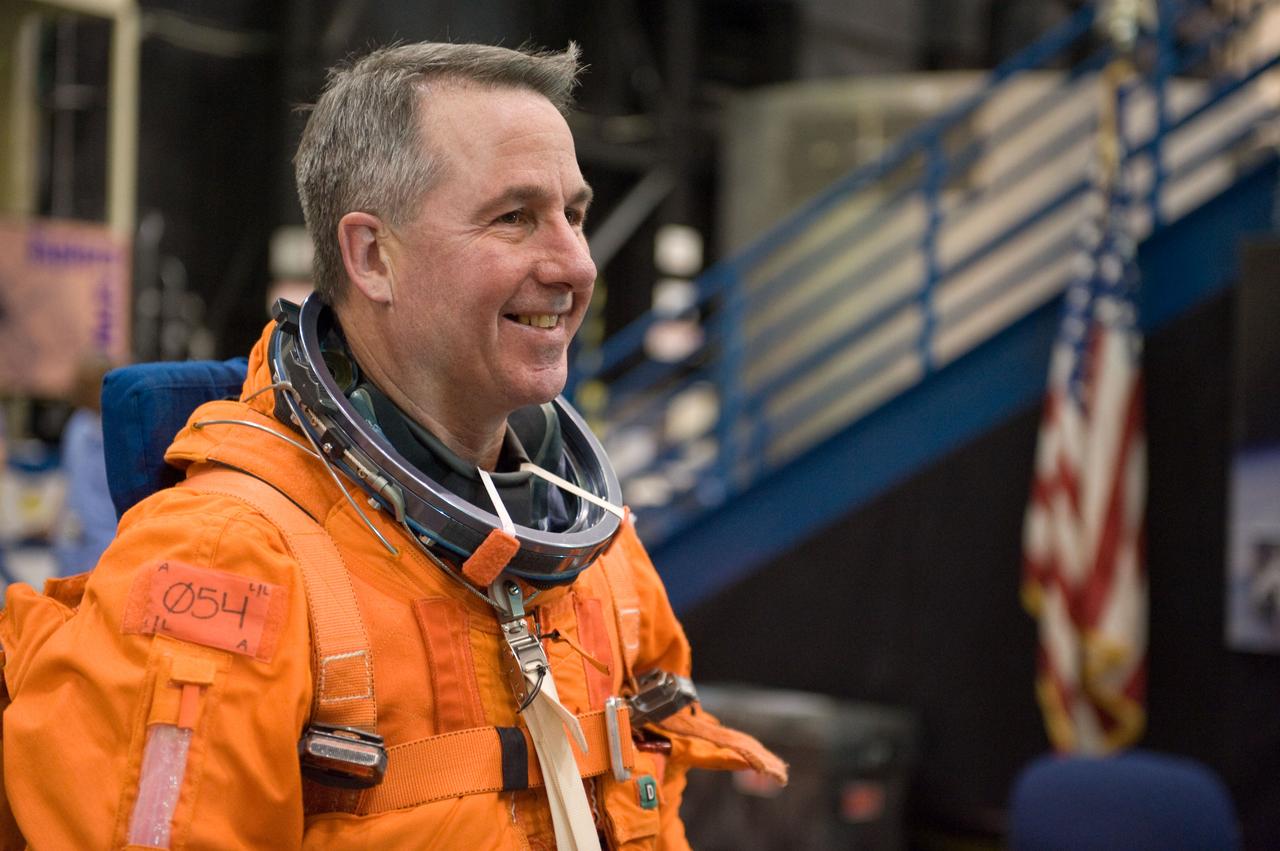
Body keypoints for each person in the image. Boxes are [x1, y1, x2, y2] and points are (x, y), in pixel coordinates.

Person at [1, 42, 784, 850]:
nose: (575, 264)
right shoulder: (224, 566)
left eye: (574, 215)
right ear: (373, 256)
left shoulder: (597, 553)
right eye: (514, 217)